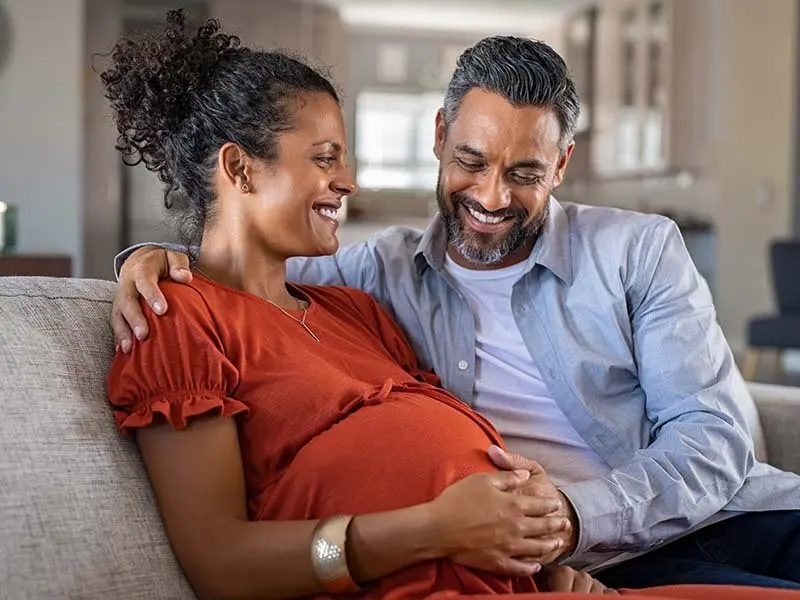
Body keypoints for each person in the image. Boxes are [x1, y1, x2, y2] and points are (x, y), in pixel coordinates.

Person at [108, 10, 800, 597]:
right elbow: (234, 273)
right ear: (439, 136)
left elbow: (712, 441)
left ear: (561, 165)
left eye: (525, 171)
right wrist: (150, 259)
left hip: (711, 522)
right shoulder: (369, 274)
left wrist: (565, 519)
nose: (493, 197)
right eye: (471, 161)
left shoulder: (634, 251)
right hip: (543, 568)